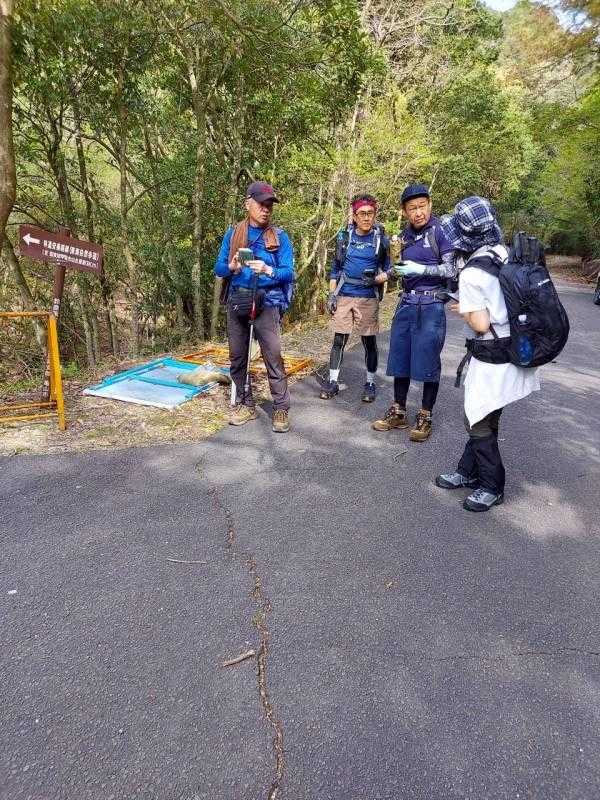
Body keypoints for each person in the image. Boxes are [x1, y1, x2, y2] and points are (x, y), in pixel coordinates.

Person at [434, 196, 541, 511]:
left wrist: (463, 309)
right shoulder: (502, 252)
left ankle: (492, 487)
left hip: (492, 354)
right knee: (486, 414)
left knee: (476, 420)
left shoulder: (471, 273)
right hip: (515, 346)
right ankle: (467, 471)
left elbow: (480, 323)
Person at [372, 183, 455, 441]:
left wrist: (421, 269)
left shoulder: (441, 232)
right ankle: (398, 411)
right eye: (412, 208)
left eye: (422, 206)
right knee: (400, 357)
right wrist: (383, 276)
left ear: (430, 205)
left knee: (429, 360)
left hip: (431, 304)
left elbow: (451, 269)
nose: (418, 212)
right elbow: (399, 268)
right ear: (404, 211)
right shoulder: (403, 237)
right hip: (407, 302)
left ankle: (425, 414)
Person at [214, 181, 295, 433]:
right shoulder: (234, 233)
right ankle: (245, 403)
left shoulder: (279, 236)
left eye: (269, 205)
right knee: (238, 357)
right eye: (261, 204)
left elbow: (289, 272)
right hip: (238, 299)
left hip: (267, 301)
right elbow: (218, 268)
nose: (266, 209)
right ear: (247, 204)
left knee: (273, 356)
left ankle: (281, 408)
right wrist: (232, 267)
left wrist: (268, 269)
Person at [320, 193, 390, 402]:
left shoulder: (381, 240)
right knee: (339, 339)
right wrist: (332, 295)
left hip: (368, 296)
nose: (367, 217)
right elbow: (335, 269)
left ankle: (370, 383)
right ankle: (333, 381)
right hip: (344, 295)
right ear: (354, 216)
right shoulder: (344, 238)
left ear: (374, 214)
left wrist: (377, 280)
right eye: (362, 213)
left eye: (370, 213)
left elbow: (390, 269)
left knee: (369, 341)